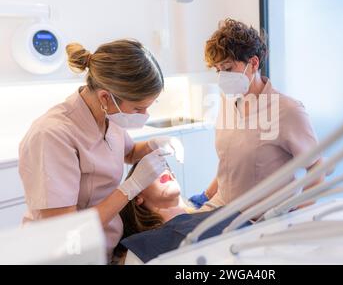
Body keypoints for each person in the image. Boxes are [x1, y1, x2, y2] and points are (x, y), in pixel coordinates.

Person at [18, 39, 183, 261]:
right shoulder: (52, 136)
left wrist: (156, 144)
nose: (144, 115)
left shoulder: (109, 116)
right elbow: (62, 232)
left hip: (104, 247)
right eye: (137, 108)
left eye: (148, 106)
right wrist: (131, 187)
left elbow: (129, 152)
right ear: (106, 96)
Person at [189, 18, 325, 210]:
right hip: (220, 208)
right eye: (218, 70)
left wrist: (296, 215)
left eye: (227, 68)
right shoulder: (228, 102)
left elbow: (317, 169)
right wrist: (206, 195)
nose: (222, 77)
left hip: (259, 219)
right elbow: (231, 164)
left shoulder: (287, 110)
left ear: (253, 63)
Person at [115, 164, 249, 264]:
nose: (163, 168)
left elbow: (230, 168)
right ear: (137, 196)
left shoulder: (214, 212)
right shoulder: (140, 249)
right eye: (150, 169)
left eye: (165, 165)